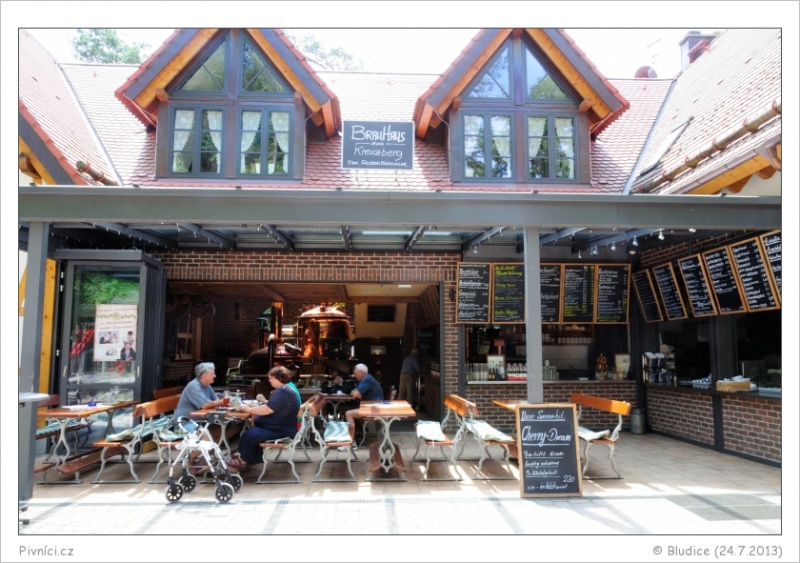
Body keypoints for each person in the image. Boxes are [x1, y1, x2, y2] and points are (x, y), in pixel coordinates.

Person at [227, 366, 301, 469]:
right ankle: (246, 457)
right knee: (250, 433)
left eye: (271, 378)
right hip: (282, 427)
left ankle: (244, 460)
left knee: (250, 435)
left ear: (279, 378)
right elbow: (271, 406)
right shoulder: (284, 390)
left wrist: (248, 409)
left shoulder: (283, 392)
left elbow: (267, 409)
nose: (269, 381)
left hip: (282, 430)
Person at [340, 363, 383, 450]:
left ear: (361, 372)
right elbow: (358, 394)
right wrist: (356, 392)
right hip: (374, 407)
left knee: (348, 414)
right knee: (350, 410)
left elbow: (355, 394)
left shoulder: (367, 380)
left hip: (373, 409)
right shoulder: (368, 378)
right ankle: (352, 438)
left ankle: (351, 443)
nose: (354, 374)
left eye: (355, 372)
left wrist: (354, 392)